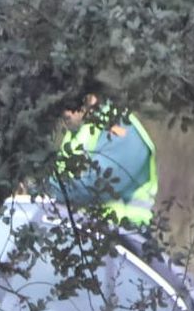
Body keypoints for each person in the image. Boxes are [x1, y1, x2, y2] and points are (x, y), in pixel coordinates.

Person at [49, 94, 157, 227]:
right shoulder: (78, 133)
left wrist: (44, 188)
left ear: (90, 97)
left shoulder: (120, 126)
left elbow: (95, 187)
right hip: (85, 229)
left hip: (127, 232)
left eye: (70, 103)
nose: (64, 112)